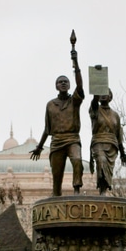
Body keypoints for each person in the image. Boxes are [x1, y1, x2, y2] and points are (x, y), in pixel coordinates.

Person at [30, 47, 85, 196]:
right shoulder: (50, 105)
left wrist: (76, 63)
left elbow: (80, 86)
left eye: (66, 82)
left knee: (77, 161)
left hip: (72, 138)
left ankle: (77, 190)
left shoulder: (74, 101)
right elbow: (47, 129)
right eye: (60, 82)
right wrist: (39, 147)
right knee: (57, 174)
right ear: (56, 86)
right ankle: (56, 196)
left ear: (69, 85)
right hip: (57, 141)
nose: (63, 83)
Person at [88, 89, 126, 195]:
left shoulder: (115, 115)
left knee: (107, 171)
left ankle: (104, 191)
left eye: (106, 93)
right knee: (101, 162)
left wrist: (123, 154)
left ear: (111, 97)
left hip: (112, 146)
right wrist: (98, 85)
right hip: (98, 142)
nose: (103, 95)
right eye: (101, 93)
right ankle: (102, 192)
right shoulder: (95, 109)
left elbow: (119, 136)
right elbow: (94, 101)